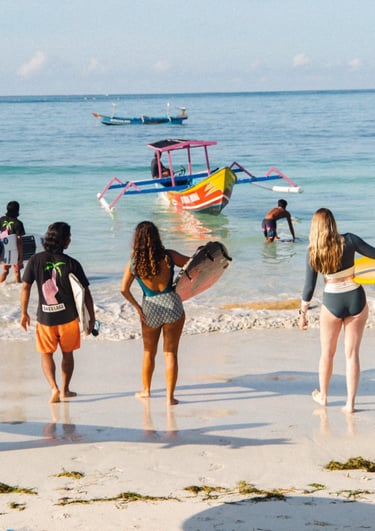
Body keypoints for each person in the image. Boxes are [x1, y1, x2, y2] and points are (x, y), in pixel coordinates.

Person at [299, 208, 375, 413]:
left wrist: (303, 313)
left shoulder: (313, 251)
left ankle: (323, 396)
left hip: (332, 302)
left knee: (327, 354)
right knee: (352, 354)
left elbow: (309, 288)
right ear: (332, 223)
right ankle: (350, 404)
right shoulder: (350, 240)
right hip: (356, 299)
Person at [20, 222, 96, 403]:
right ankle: (65, 390)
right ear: (66, 241)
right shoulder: (72, 263)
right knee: (67, 353)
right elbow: (85, 294)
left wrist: (24, 312)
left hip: (46, 318)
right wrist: (91, 318)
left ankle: (53, 388)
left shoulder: (35, 260)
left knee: (46, 354)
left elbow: (25, 288)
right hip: (68, 318)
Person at [120, 221, 189, 405]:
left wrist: (137, 307)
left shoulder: (134, 262)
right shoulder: (169, 256)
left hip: (150, 308)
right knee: (170, 353)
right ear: (157, 237)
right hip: (173, 305)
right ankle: (170, 398)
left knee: (149, 352)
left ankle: (146, 390)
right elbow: (193, 265)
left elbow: (124, 289)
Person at [0, 201, 25, 283]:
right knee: (17, 271)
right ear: (17, 210)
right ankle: (18, 287)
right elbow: (19, 241)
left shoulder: (2, 219)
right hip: (15, 250)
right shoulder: (18, 224)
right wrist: (21, 257)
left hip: (4, 249)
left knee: (5, 271)